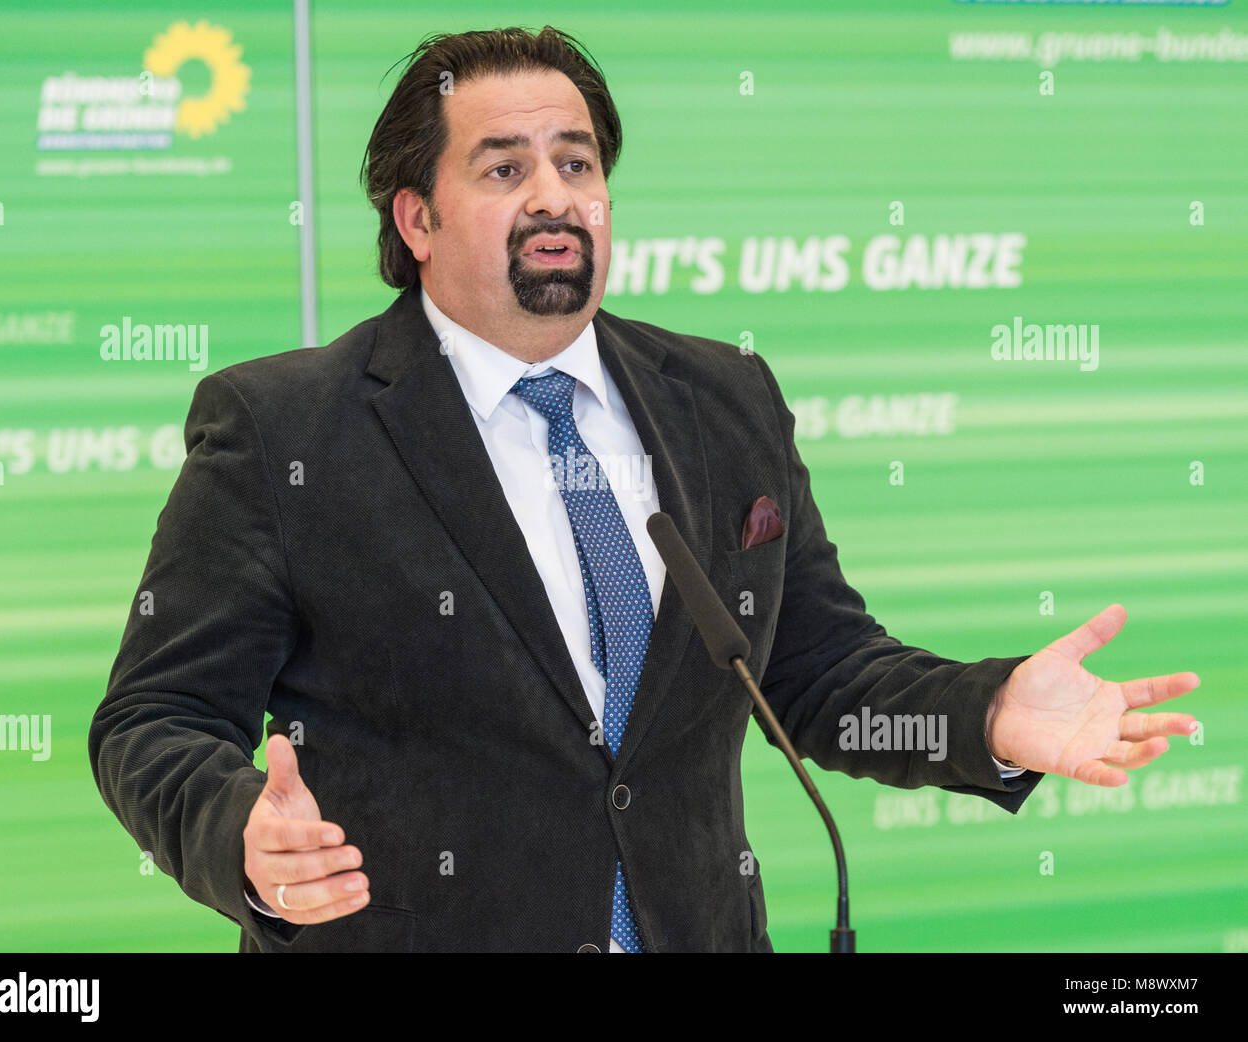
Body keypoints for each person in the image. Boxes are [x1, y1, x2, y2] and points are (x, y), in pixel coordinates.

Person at [89, 26, 1199, 953]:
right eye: (503, 168)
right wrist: (241, 835)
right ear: (415, 219)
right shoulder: (286, 428)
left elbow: (812, 671)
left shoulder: (722, 397)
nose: (553, 197)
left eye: (576, 163)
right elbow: (153, 714)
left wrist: (988, 713)